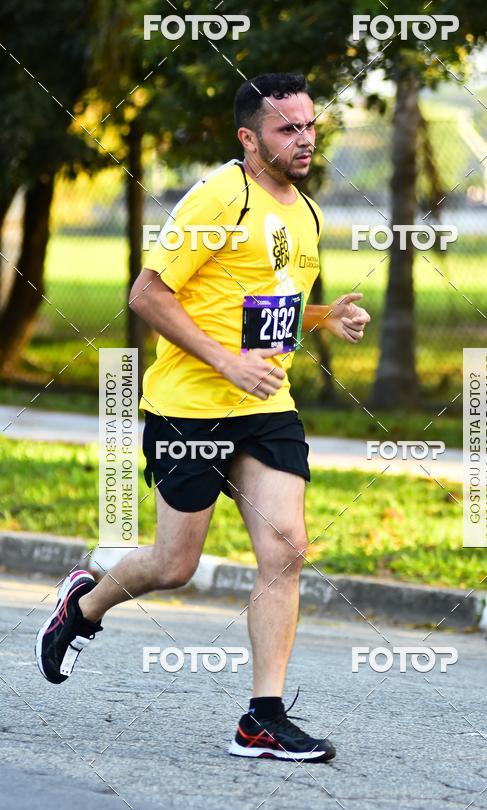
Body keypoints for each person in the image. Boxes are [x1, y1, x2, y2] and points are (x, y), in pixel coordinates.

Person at [36, 72, 370, 763]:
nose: (305, 138)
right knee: (174, 563)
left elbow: (255, 311)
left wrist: (323, 316)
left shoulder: (302, 212)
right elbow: (147, 294)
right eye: (288, 128)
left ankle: (262, 716)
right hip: (189, 408)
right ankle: (83, 607)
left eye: (310, 125)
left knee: (287, 548)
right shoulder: (222, 196)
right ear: (250, 138)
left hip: (265, 408)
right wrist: (225, 363)